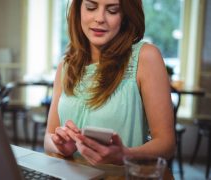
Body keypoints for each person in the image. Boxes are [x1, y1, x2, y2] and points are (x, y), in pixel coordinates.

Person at [44, 0, 175, 165]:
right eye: (91, 7)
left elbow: (167, 144)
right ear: (78, 9)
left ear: (125, 15)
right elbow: (48, 137)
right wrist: (60, 146)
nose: (100, 18)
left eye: (112, 10)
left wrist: (125, 155)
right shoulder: (65, 65)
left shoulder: (146, 57)